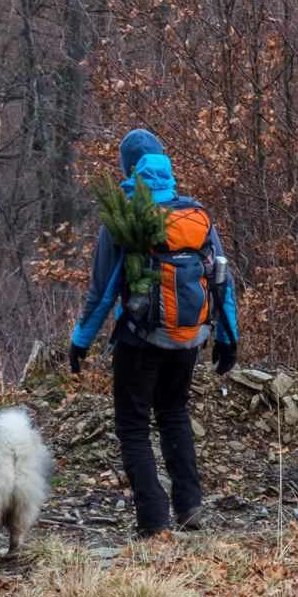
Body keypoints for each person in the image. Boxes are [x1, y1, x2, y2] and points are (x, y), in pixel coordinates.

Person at [68, 129, 238, 538]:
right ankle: (190, 505)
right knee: (174, 413)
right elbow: (221, 278)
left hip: (138, 340)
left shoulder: (125, 218)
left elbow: (104, 290)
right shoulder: (195, 214)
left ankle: (153, 519)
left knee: (132, 424)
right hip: (190, 338)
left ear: (129, 169)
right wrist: (228, 336)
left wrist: (81, 341)